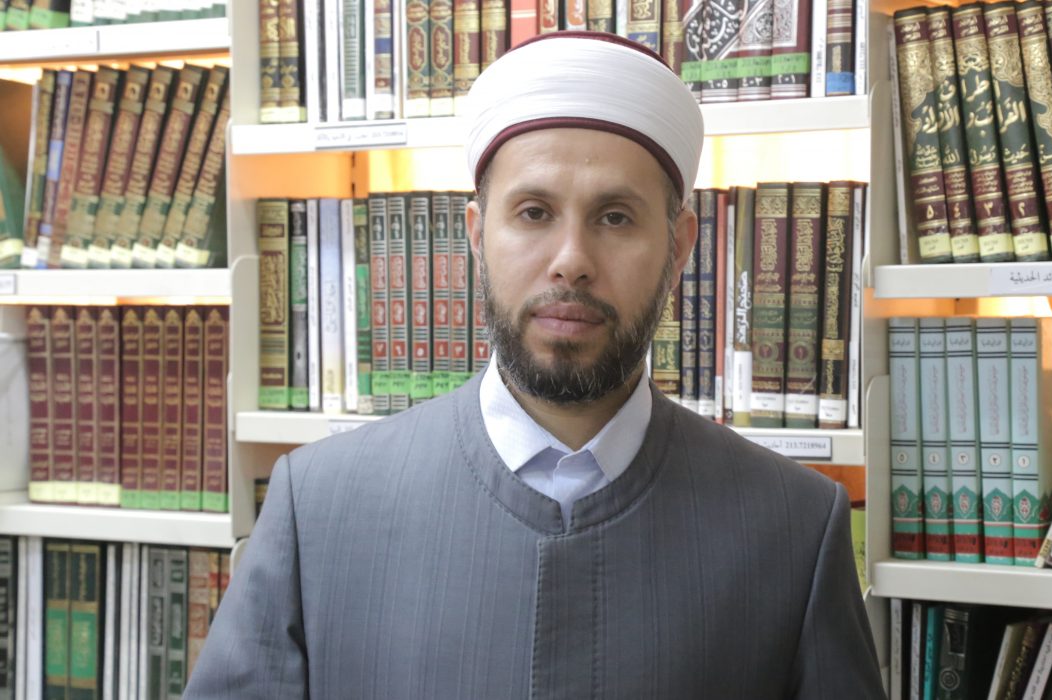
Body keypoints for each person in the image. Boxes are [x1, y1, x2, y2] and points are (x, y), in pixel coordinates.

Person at [186, 31, 883, 698]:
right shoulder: (317, 507)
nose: (571, 261)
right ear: (476, 236)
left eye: (615, 217)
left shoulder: (794, 527)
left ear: (679, 248)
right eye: (533, 212)